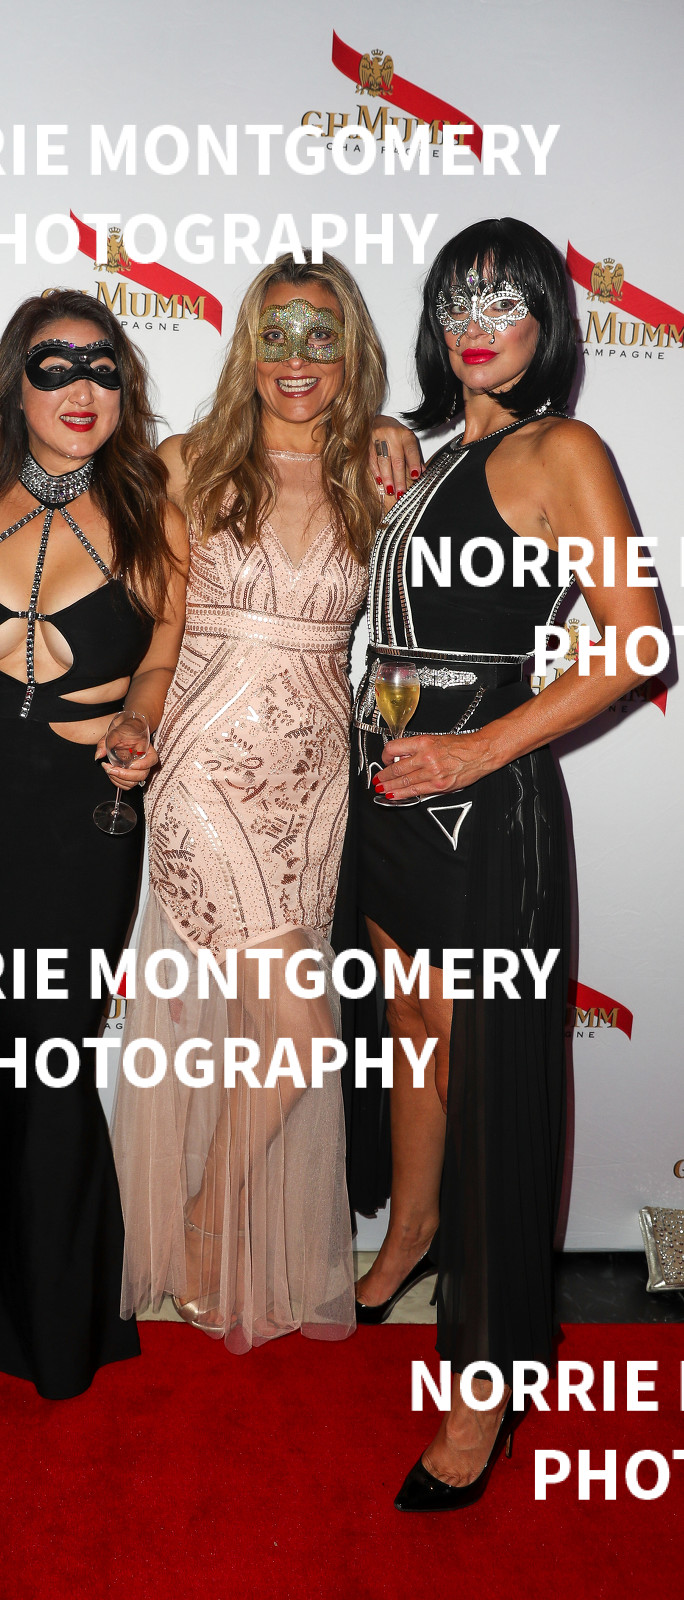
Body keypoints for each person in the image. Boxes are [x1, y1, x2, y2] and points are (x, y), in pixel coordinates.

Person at [345, 216, 661, 1508]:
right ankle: (411, 1232)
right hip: (389, 791)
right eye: (457, 303)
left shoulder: (561, 450)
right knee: (412, 1030)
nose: (477, 326)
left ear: (549, 325)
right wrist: (391, 448)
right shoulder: (432, 456)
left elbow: (638, 641)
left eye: (506, 303)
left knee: (492, 1082)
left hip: (483, 808)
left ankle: (489, 1374)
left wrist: (476, 753)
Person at [106, 254, 421, 1352]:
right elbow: (157, 637)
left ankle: (224, 1229)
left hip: (317, 785)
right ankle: (203, 1227)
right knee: (300, 1033)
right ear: (247, 348)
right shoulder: (187, 464)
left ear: (351, 350)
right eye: (275, 334)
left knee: (273, 1030)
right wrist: (138, 719)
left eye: (319, 335)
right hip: (204, 770)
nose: (297, 358)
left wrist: (396, 436)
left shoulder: (378, 470)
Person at [0, 291, 189, 1400]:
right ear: (14, 384)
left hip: (83, 820)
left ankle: (55, 1316)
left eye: (101, 367)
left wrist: (139, 721)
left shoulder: (153, 506)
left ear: (124, 387)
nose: (79, 388)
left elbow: (161, 648)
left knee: (47, 1051)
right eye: (53, 366)